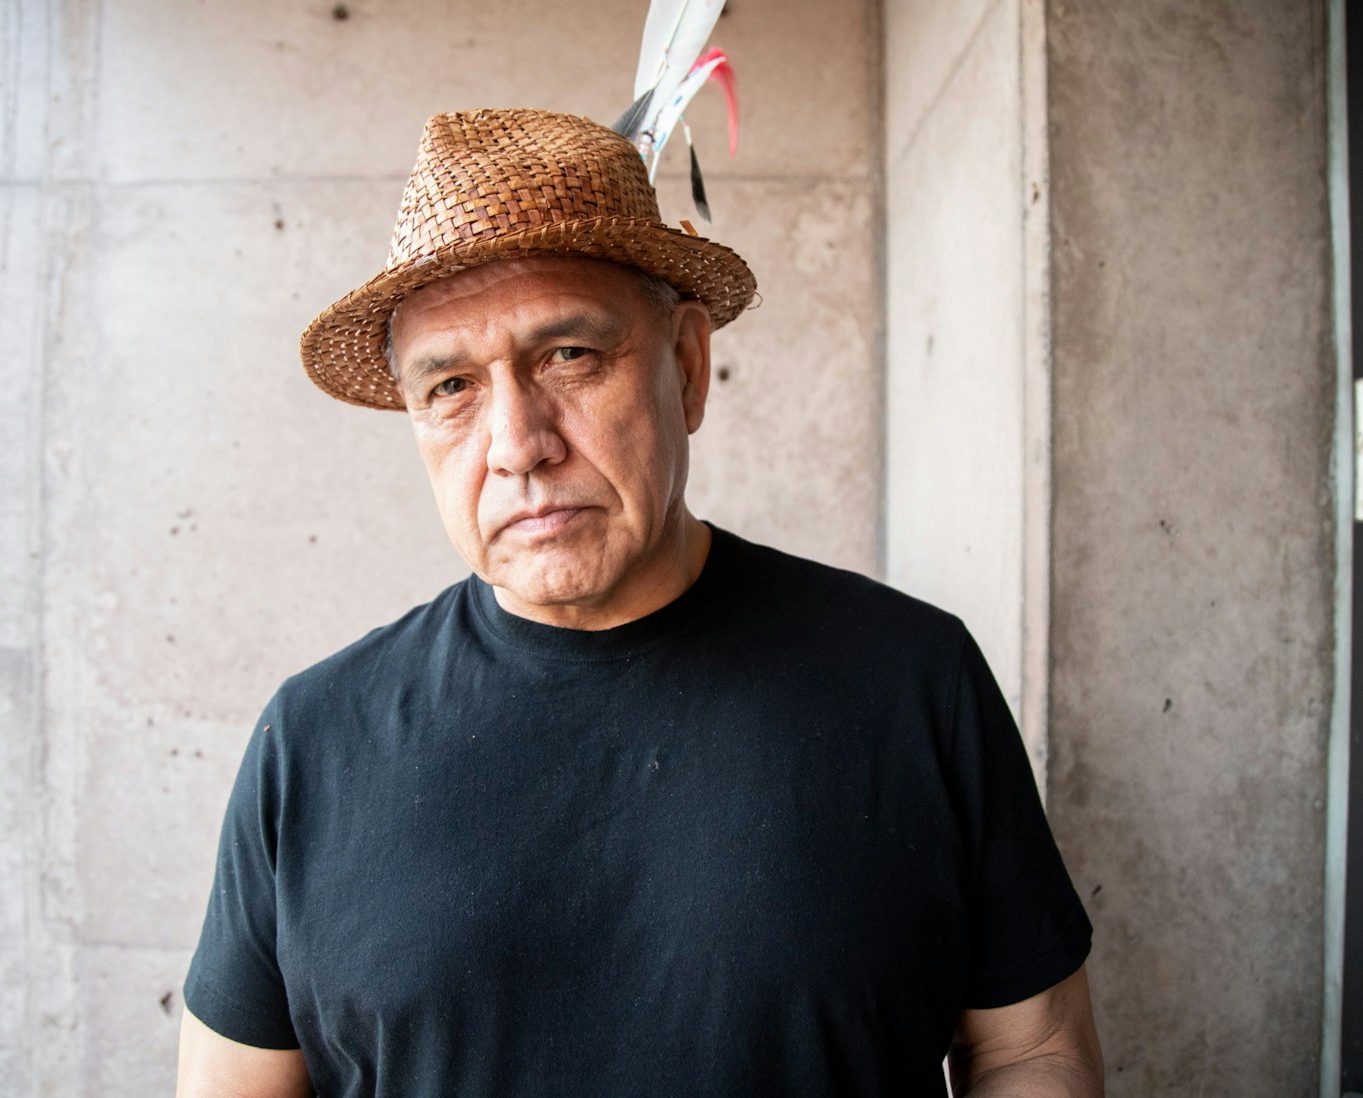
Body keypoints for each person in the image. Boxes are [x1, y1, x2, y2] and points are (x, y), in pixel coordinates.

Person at [176, 108, 1103, 1098]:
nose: (517, 443)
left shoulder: (910, 679)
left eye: (568, 355)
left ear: (688, 366)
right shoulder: (314, 739)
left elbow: (1029, 1050)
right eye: (450, 385)